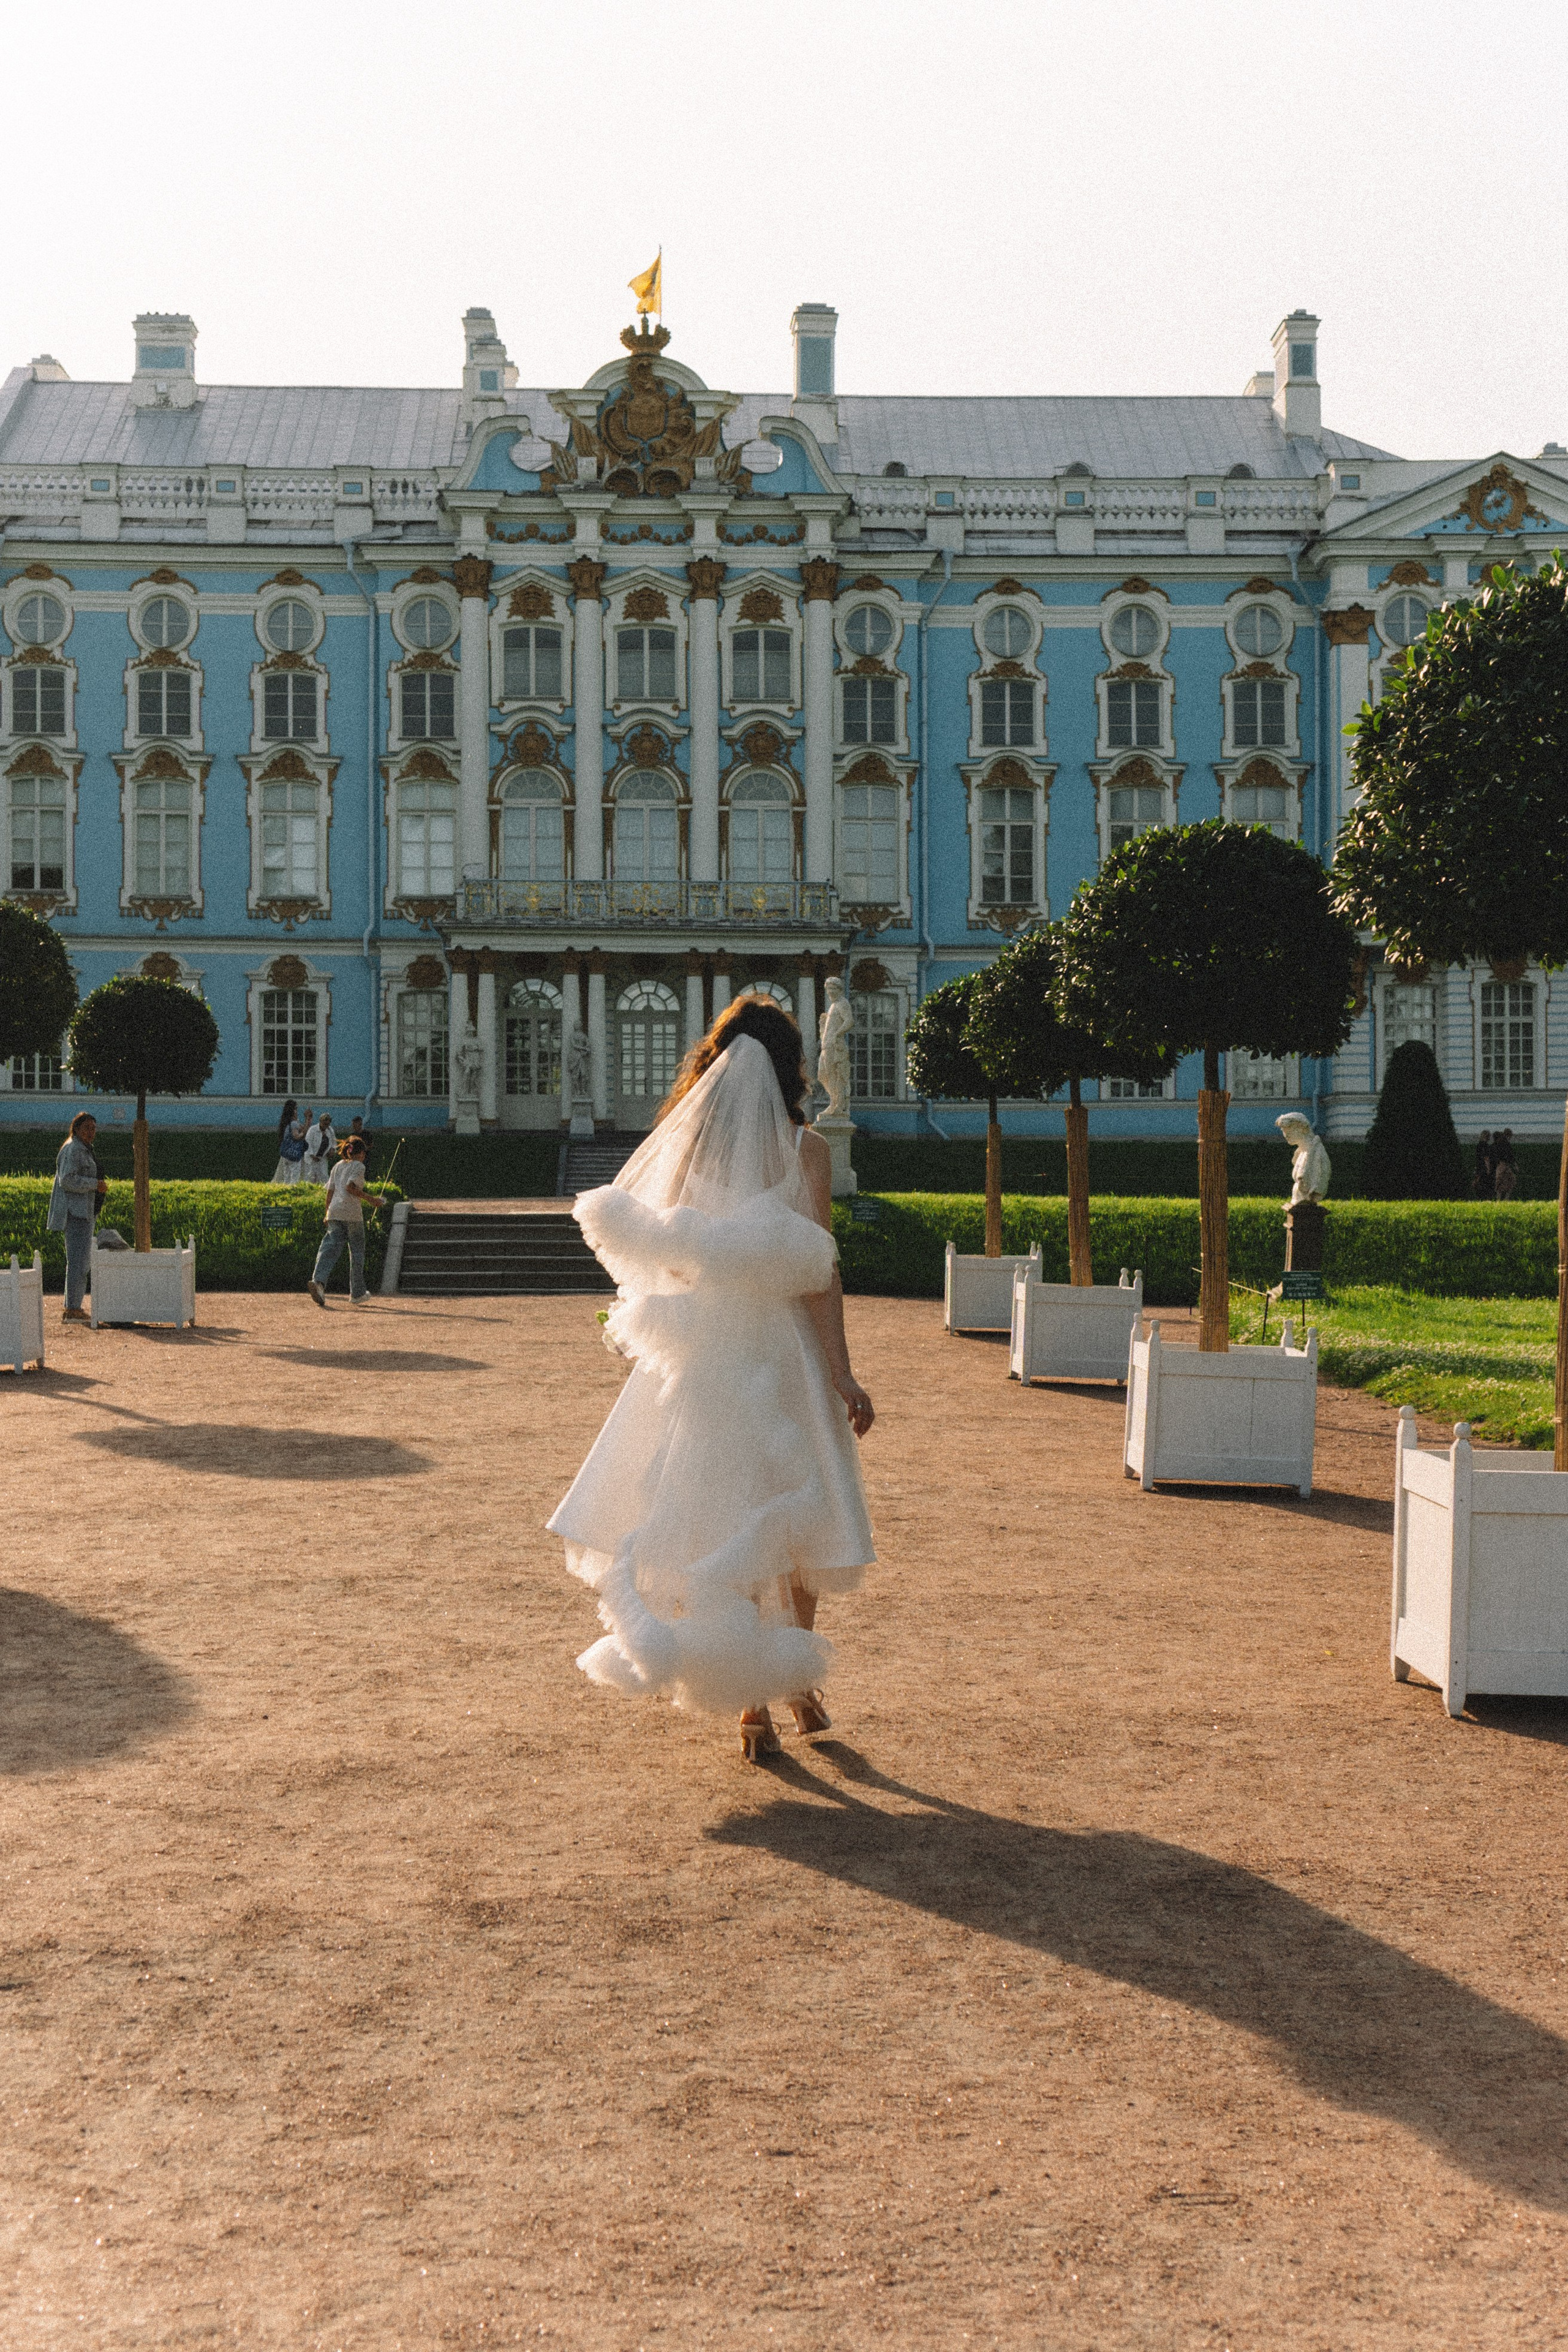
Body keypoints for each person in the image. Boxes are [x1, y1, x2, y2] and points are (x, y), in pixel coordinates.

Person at [549, 993, 876, 1763]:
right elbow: (821, 1276)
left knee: (728, 1516)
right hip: (787, 1350)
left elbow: (664, 1264)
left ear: (714, 1063)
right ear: (792, 1066)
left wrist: (695, 1306)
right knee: (802, 1516)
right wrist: (842, 1373)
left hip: (711, 1358)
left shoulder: (691, 1154)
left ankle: (753, 1701)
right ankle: (796, 1679)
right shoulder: (807, 1153)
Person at [47, 1110, 108, 1323]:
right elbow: (67, 1180)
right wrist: (94, 1185)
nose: (92, 1132)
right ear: (77, 1129)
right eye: (87, 1128)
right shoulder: (74, 1149)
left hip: (84, 1211)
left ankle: (73, 1306)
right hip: (76, 1213)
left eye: (94, 1128)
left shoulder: (82, 1149)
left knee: (80, 1261)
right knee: (78, 1262)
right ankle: (72, 1309)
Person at [307, 1136, 372, 1308]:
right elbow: (351, 1188)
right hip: (352, 1214)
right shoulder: (359, 1166)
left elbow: (330, 1191)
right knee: (357, 1253)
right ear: (361, 1153)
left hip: (334, 1212)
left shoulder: (337, 1166)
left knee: (328, 1248)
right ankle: (357, 1293)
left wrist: (326, 1213)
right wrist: (372, 1199)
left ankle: (319, 1282)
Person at [271, 1099, 307, 1184]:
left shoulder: (285, 1123)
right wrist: (303, 1134)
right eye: (296, 1109)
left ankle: (286, 1190)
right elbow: (297, 1136)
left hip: (286, 1152)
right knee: (295, 1175)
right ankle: (293, 1191)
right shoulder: (294, 1123)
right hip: (294, 1152)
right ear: (292, 1110)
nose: (297, 1111)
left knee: (286, 1175)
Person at [301, 1108, 336, 1185]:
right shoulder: (312, 1130)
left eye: (328, 1124)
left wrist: (333, 1150)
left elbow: (334, 1142)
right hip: (311, 1158)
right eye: (324, 1124)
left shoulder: (330, 1130)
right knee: (310, 1177)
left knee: (324, 1176)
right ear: (320, 1122)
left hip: (323, 1158)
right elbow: (308, 1143)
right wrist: (312, 1155)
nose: (326, 1126)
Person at [1493, 1128, 1518, 1201]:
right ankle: (1506, 1198)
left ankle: (1499, 1198)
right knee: (1511, 1181)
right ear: (1509, 1135)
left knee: (1501, 1182)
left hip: (1500, 1164)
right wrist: (1515, 1165)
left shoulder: (1499, 1143)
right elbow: (1510, 1155)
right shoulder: (1506, 1143)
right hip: (1504, 1165)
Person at [1472, 1132, 1494, 1198]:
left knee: (1478, 1181)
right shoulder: (1486, 1146)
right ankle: (1485, 1196)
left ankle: (1479, 1196)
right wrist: (1488, 1168)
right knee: (1485, 1182)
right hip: (1484, 1167)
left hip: (1479, 1166)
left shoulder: (1479, 1145)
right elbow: (1486, 1158)